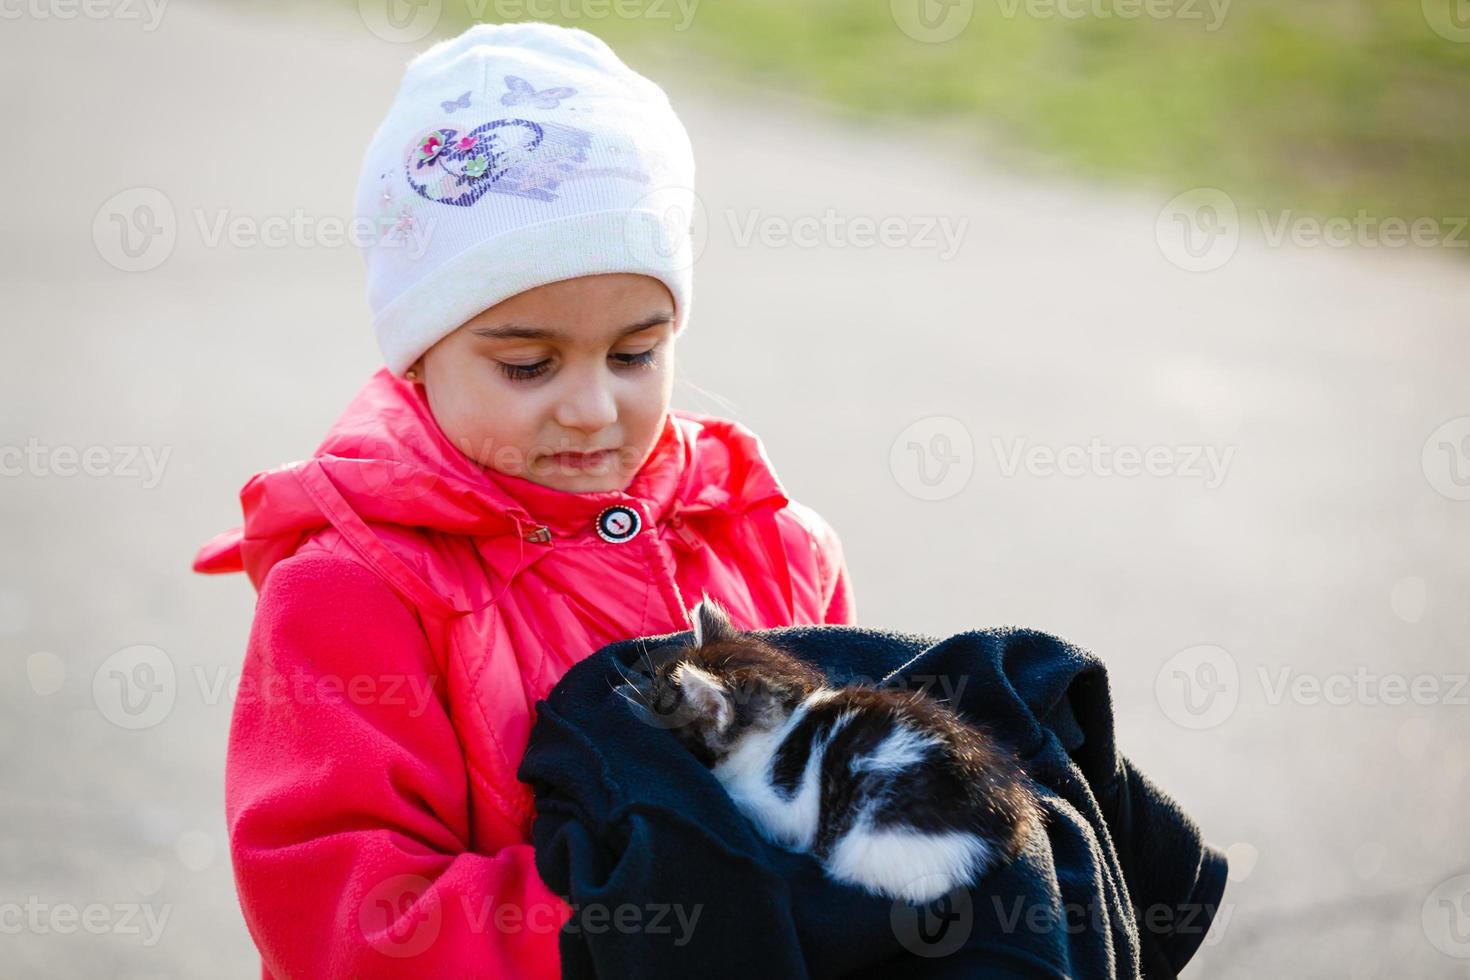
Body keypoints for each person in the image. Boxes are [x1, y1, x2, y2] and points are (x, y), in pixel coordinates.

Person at [191, 21, 855, 979]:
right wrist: (647, 916)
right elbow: (351, 924)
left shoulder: (772, 543)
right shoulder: (352, 593)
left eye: (636, 354)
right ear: (419, 353)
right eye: (527, 363)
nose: (591, 410)